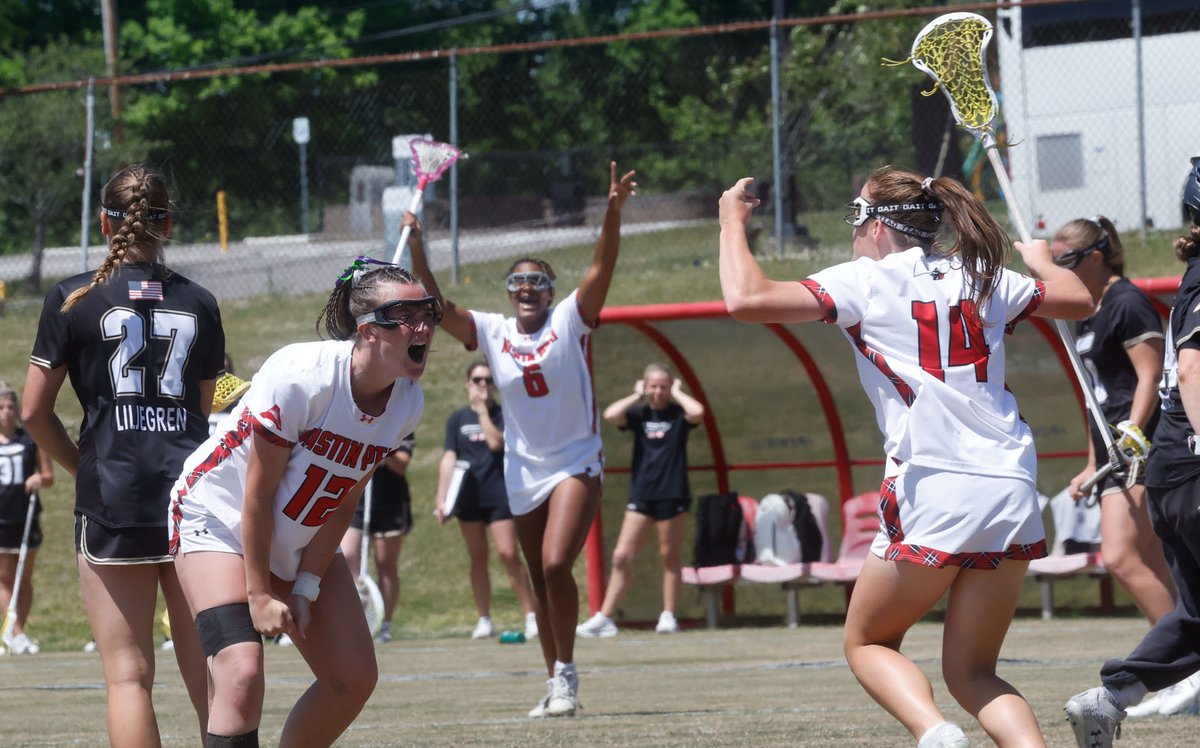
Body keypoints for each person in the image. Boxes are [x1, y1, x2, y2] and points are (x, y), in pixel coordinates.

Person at [718, 168, 1093, 748]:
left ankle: (935, 734)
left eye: (854, 216)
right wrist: (1042, 259)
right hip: (1011, 482)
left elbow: (746, 300)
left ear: (874, 226)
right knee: (973, 672)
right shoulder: (982, 275)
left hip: (934, 482)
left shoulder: (865, 280)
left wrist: (730, 222)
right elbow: (1078, 299)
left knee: (865, 642)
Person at [168, 256, 434, 747]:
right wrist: (259, 593)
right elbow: (256, 495)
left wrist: (306, 587)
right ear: (367, 330)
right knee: (241, 672)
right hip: (219, 517)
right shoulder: (302, 376)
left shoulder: (407, 403)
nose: (423, 326)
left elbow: (345, 498)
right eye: (405, 316)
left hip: (296, 533)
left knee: (353, 679)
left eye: (428, 312)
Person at [408, 161, 637, 718]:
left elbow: (602, 266)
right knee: (537, 577)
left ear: (551, 291)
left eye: (537, 282)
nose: (527, 289)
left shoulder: (571, 319)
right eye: (518, 283)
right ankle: (557, 680)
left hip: (576, 459)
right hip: (523, 466)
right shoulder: (493, 331)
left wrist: (612, 211)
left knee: (558, 563)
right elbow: (433, 308)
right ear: (509, 293)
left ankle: (568, 669)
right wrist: (418, 244)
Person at [22, 164, 222, 745]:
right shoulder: (200, 302)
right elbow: (202, 409)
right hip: (191, 499)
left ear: (105, 221)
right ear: (168, 223)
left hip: (112, 495)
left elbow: (34, 411)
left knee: (128, 678)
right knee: (210, 666)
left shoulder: (73, 297)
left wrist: (82, 464)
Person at [1064, 158, 1200, 746]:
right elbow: (1191, 370)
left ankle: (1111, 695)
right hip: (1189, 464)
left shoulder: (1155, 292)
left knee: (1193, 613)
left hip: (1168, 465)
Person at [1053, 217, 1185, 715]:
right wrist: (1091, 465)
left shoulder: (1126, 300)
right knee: (1148, 563)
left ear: (1093, 257)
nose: (1057, 271)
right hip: (1111, 453)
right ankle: (1182, 671)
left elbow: (1151, 373)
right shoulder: (1088, 311)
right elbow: (1094, 400)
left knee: (1123, 557)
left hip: (1140, 447)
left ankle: (1181, 669)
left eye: (1064, 261)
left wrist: (1132, 434)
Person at [577, 363, 704, 638]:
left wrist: (679, 392)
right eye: (653, 386)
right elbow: (611, 415)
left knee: (669, 555)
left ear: (670, 387)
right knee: (622, 556)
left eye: (663, 386)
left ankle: (668, 615)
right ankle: (605, 617)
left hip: (673, 492)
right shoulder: (639, 414)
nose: (658, 392)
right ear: (646, 386)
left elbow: (698, 413)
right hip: (642, 493)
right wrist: (637, 396)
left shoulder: (679, 413)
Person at [434, 360, 537, 641]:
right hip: (468, 495)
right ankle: (484, 619)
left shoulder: (504, 414)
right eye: (477, 380)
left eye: (488, 380)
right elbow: (449, 457)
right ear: (468, 383)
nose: (483, 385)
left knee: (508, 553)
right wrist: (442, 498)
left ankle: (531, 615)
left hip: (499, 492)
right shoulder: (456, 419)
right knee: (477, 557)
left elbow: (495, 442)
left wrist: (482, 412)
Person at [339, 431, 416, 644]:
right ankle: (354, 619)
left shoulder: (401, 424)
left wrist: (381, 451)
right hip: (357, 499)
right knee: (347, 557)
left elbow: (401, 465)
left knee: (385, 564)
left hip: (390, 501)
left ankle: (385, 624)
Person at [0, 382, 54, 655]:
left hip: (25, 515)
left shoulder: (28, 440)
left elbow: (48, 475)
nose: (7, 412)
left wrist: (38, 478)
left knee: (24, 578)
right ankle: (16, 632)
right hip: (1, 518)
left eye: (11, 407)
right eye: (1, 408)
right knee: (3, 577)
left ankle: (16, 630)